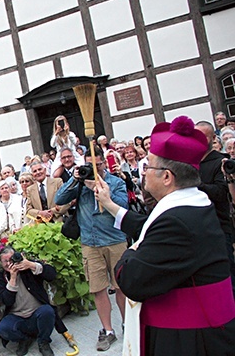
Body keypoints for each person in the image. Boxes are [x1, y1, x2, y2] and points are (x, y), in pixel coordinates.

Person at [95, 115, 235, 355]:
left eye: (148, 165)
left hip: (189, 340)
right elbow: (149, 228)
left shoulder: (177, 222)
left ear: (167, 177)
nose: (144, 171)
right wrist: (109, 204)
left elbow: (131, 280)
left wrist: (131, 251)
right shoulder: (193, 204)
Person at [54, 147, 128, 352]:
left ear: (103, 163)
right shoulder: (80, 183)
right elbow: (59, 200)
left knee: (122, 286)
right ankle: (108, 330)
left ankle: (127, 325)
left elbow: (123, 206)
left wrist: (103, 190)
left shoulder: (115, 182)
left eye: (97, 165)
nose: (94, 170)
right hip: (90, 243)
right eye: (89, 165)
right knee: (97, 288)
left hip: (115, 240)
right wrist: (76, 180)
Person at [195, 121, 235, 288]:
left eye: (202, 137)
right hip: (196, 228)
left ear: (212, 138)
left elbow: (220, 193)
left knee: (228, 276)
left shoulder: (221, 162)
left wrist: (195, 183)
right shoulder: (190, 163)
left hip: (219, 226)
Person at [0, 247, 56, 356]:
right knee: (3, 328)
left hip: (37, 313)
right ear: (0, 263)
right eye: (6, 261)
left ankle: (43, 341)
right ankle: (24, 340)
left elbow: (52, 275)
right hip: (17, 317)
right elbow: (7, 301)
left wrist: (31, 265)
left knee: (47, 311)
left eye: (11, 259)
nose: (10, 264)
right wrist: (13, 279)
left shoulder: (28, 268)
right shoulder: (1, 278)